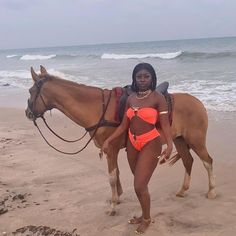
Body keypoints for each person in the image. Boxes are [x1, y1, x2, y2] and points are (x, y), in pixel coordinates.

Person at [102, 62, 173, 234]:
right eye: (139, 77)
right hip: (133, 144)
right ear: (134, 78)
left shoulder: (158, 98)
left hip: (151, 142)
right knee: (140, 183)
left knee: (139, 185)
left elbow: (165, 125)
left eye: (146, 76)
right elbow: (123, 126)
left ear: (152, 78)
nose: (142, 80)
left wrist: (170, 145)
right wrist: (109, 140)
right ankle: (144, 214)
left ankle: (147, 219)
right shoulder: (130, 98)